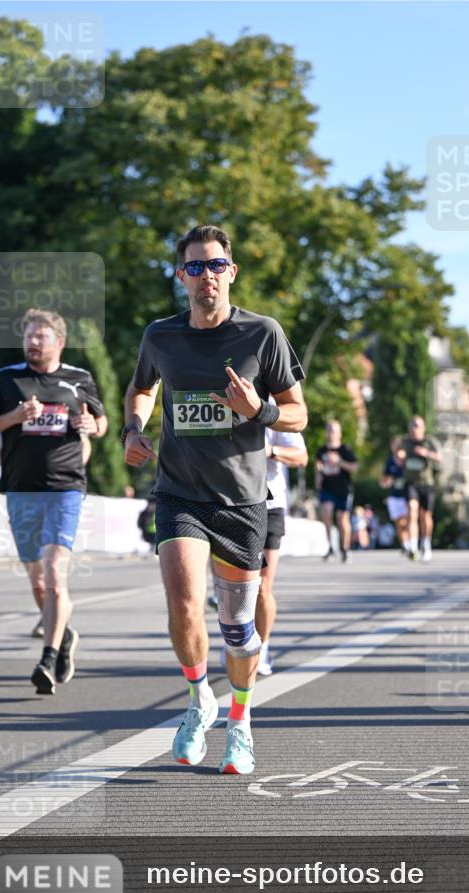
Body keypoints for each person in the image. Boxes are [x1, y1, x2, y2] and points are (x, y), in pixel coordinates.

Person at [123, 224, 306, 775]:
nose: (207, 276)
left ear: (232, 271)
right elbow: (142, 388)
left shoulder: (262, 334)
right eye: (195, 267)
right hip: (179, 493)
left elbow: (299, 413)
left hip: (242, 503)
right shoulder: (161, 336)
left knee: (239, 631)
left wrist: (261, 412)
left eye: (216, 265)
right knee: (182, 605)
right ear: (182, 277)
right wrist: (134, 428)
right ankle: (199, 696)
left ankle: (242, 720)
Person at [0, 308, 108, 692]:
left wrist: (91, 426)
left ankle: (47, 659)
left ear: (59, 343)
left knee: (53, 569)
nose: (32, 343)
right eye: (28, 337)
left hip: (65, 487)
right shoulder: (7, 379)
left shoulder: (78, 379)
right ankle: (63, 635)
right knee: (38, 582)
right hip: (19, 489)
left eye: (40, 337)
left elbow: (101, 422)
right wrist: (15, 416)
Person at [254, 423, 308, 675]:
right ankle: (238, 641)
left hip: (270, 503)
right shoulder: (219, 398)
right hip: (228, 502)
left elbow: (301, 456)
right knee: (231, 588)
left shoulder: (274, 406)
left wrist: (271, 450)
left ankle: (262, 646)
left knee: (262, 587)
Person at [395, 415, 442, 562]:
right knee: (412, 510)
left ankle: (426, 544)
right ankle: (413, 546)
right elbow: (398, 456)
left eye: (417, 426)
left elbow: (440, 457)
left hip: (426, 484)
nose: (414, 429)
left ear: (423, 428)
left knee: (425, 516)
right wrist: (399, 456)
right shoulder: (405, 442)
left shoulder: (429, 441)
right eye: (412, 426)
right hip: (411, 483)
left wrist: (426, 453)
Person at [315, 420, 358, 563]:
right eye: (329, 430)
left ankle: (345, 548)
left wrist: (339, 461)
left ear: (339, 433)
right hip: (327, 488)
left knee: (342, 519)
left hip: (343, 490)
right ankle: (330, 546)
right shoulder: (321, 451)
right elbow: (319, 469)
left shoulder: (345, 449)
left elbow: (354, 468)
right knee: (326, 513)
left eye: (334, 430)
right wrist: (318, 477)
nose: (331, 433)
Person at [379, 435, 409, 554]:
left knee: (406, 521)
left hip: (407, 495)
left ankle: (410, 543)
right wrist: (386, 482)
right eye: (394, 445)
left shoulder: (407, 460)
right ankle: (404, 544)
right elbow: (383, 480)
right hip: (394, 495)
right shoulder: (390, 461)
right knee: (398, 522)